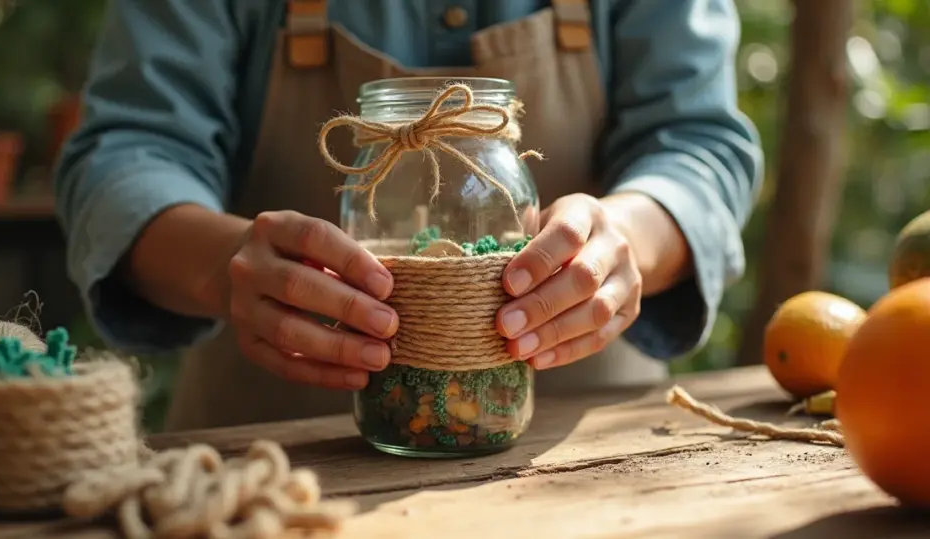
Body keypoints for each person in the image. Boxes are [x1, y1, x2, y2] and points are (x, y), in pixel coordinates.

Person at [54, 0, 763, 432]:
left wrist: (627, 234)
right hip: (276, 463)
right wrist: (220, 262)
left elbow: (700, 142)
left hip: (586, 458)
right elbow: (126, 152)